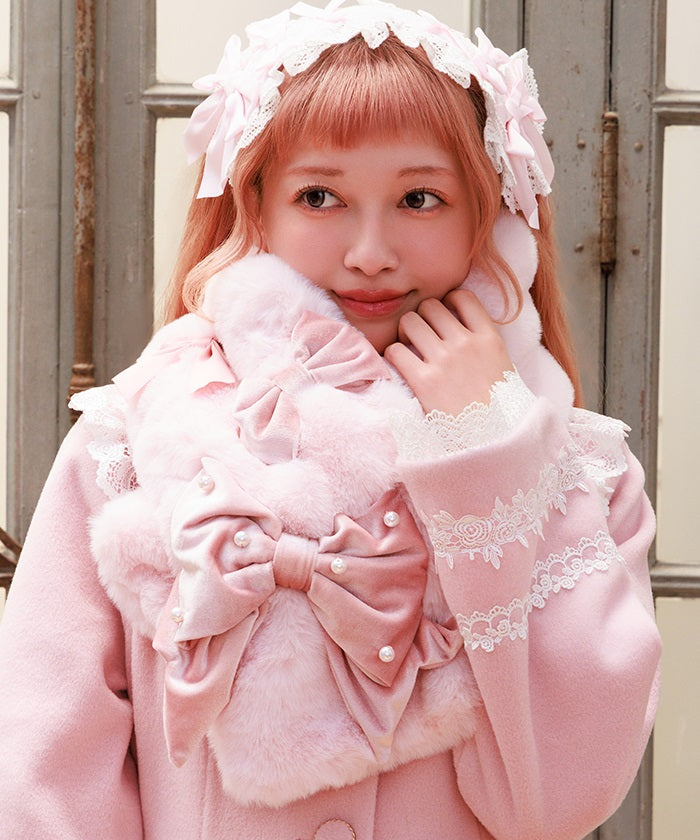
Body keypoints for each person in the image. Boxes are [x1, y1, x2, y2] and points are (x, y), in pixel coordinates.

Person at [0, 2, 661, 838]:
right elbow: (43, 785)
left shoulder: (583, 474)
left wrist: (489, 451)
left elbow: (554, 801)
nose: (370, 253)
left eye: (420, 198)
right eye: (320, 196)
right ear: (256, 206)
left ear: (490, 215)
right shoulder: (130, 443)